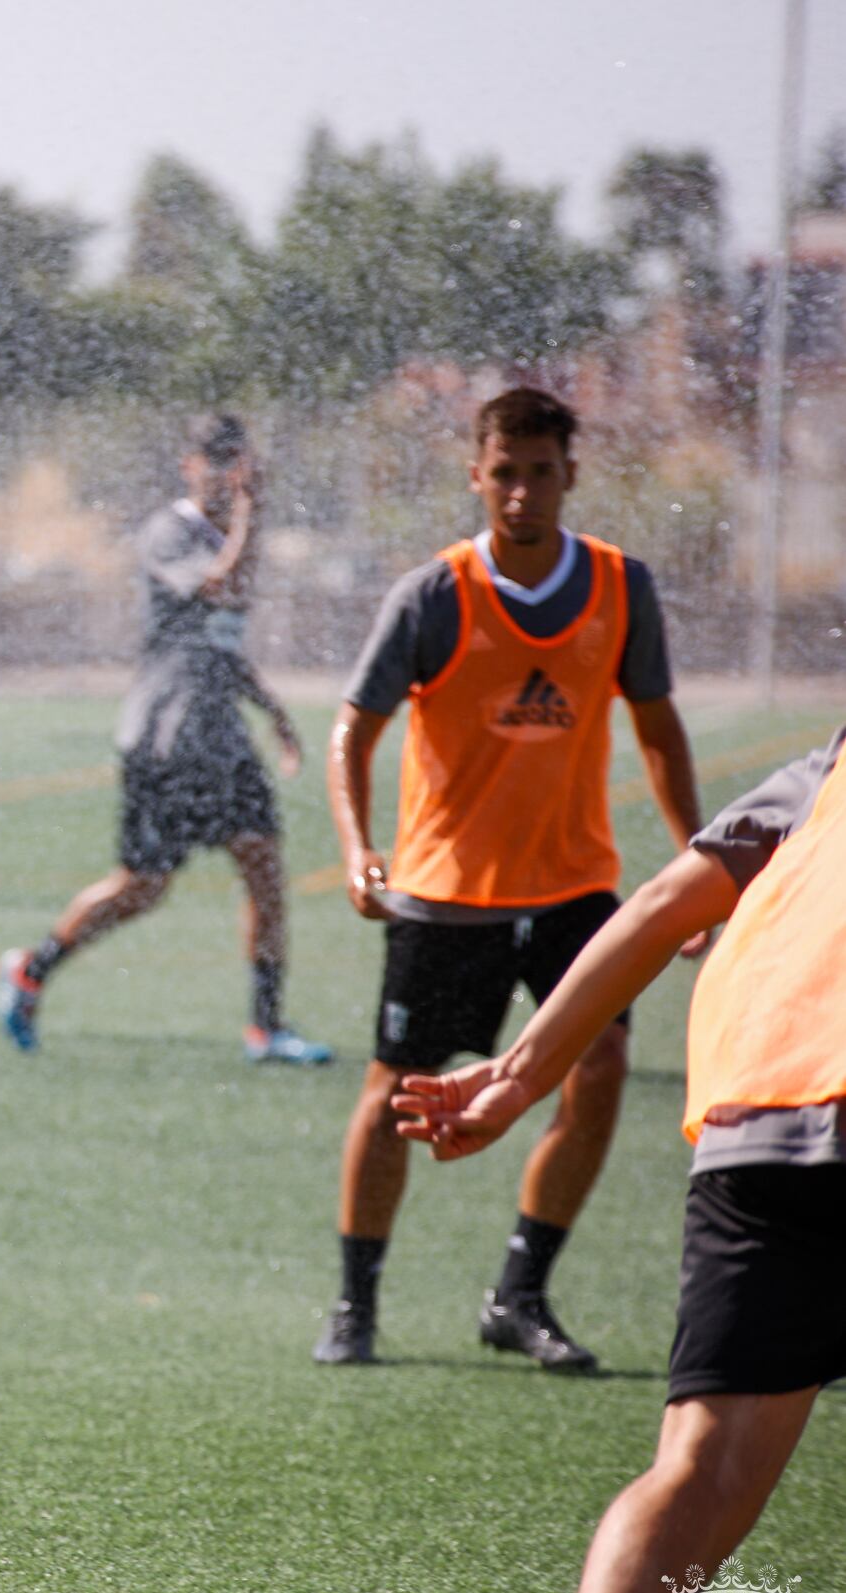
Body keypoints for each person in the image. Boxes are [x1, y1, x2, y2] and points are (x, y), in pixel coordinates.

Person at [387, 725, 846, 1593]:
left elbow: (656, 909)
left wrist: (517, 1075)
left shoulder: (826, 773)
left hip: (762, 1121)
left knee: (699, 1473)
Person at [316, 387, 705, 1371]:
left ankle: (520, 1293)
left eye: (540, 471)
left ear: (571, 473)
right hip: (447, 892)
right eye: (504, 473)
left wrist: (707, 861)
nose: (522, 492)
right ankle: (355, 1302)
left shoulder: (623, 588)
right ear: (475, 474)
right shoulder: (435, 595)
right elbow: (353, 729)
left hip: (575, 889)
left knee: (605, 1072)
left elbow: (658, 730)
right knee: (397, 1097)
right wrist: (358, 845)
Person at [0, 413, 330, 1064]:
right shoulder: (168, 532)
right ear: (189, 465)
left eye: (237, 460)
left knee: (263, 865)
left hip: (223, 738)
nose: (226, 472)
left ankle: (266, 1028)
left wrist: (274, 712)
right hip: (167, 737)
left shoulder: (233, 532)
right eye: (214, 459)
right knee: (143, 887)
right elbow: (220, 586)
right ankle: (32, 969)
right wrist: (252, 517)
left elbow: (221, 643)